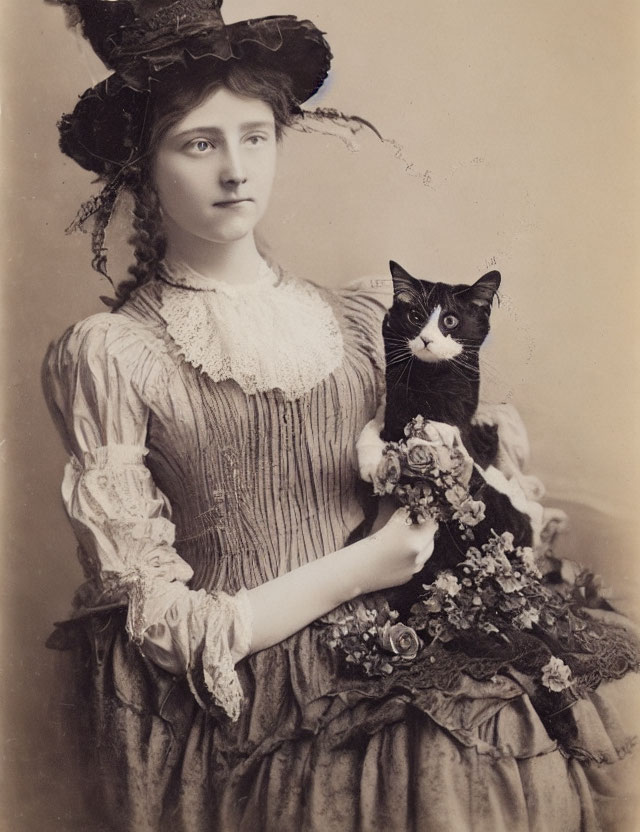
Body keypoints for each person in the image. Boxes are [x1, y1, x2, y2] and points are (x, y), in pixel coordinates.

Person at [42, 2, 639, 831]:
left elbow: (458, 477)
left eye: (255, 136)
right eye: (198, 144)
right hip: (254, 684)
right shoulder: (112, 354)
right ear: (142, 166)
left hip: (404, 637)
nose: (236, 171)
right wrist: (361, 569)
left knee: (505, 750)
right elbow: (164, 627)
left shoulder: (364, 321)